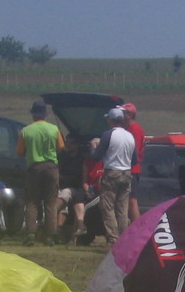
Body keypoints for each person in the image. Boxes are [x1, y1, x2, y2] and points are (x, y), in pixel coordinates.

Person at [16, 99, 64, 245]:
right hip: (51, 167)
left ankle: (31, 233)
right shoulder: (54, 129)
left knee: (32, 202)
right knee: (50, 202)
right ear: (45, 114)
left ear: (33, 114)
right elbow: (61, 147)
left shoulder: (26, 131)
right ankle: (50, 235)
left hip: (34, 168)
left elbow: (19, 152)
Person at [90, 107, 136, 246]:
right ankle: (123, 238)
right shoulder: (130, 136)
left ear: (110, 120)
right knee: (122, 208)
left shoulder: (108, 135)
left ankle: (113, 238)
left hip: (112, 173)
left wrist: (93, 147)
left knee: (107, 207)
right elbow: (134, 160)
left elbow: (96, 157)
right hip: (126, 173)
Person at [55, 139, 89, 245]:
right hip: (63, 186)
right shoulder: (64, 157)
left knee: (65, 194)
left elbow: (80, 177)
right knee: (63, 202)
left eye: (70, 143)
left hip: (75, 187)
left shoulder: (80, 160)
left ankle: (51, 214)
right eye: (67, 143)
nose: (67, 145)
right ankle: (58, 230)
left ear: (76, 145)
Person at [121, 103, 145, 223]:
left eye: (123, 112)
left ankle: (138, 227)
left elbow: (134, 152)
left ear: (129, 115)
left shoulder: (135, 129)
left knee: (132, 200)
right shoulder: (127, 129)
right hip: (127, 168)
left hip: (132, 169)